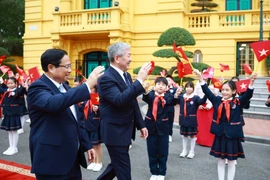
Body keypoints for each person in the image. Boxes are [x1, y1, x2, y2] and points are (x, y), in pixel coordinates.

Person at [27, 48, 104, 180]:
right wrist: (87, 86)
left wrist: (86, 145)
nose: (70, 70)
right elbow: (53, 104)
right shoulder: (37, 87)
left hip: (72, 158)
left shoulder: (66, 88)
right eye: (67, 66)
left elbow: (77, 121)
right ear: (51, 67)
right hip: (51, 160)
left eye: (70, 66)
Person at [97, 42, 151, 180]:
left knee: (116, 166)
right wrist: (139, 81)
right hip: (114, 132)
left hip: (124, 130)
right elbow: (119, 100)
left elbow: (132, 101)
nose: (131, 59)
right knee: (124, 171)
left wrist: (141, 124)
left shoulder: (125, 75)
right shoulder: (105, 78)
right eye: (129, 55)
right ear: (117, 58)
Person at [194, 69, 257, 180]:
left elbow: (248, 95)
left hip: (232, 135)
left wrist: (251, 83)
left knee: (232, 162)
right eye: (223, 89)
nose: (224, 92)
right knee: (221, 161)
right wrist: (200, 78)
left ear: (233, 91)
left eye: (227, 90)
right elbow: (207, 92)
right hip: (220, 135)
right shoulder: (217, 100)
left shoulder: (238, 101)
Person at [143, 77, 175, 180]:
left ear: (166, 87)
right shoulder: (151, 95)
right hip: (151, 127)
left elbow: (172, 101)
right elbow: (145, 98)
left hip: (163, 128)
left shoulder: (168, 96)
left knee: (163, 152)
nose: (160, 86)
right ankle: (154, 172)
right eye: (158, 84)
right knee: (152, 151)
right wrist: (145, 89)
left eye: (163, 84)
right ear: (155, 85)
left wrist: (177, 94)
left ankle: (161, 172)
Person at [175, 81, 207, 159]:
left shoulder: (195, 97)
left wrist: (207, 94)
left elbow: (202, 101)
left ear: (193, 88)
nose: (188, 89)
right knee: (184, 135)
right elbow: (174, 100)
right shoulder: (182, 96)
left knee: (192, 136)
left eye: (190, 87)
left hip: (192, 120)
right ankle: (184, 150)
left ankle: (192, 151)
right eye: (187, 87)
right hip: (183, 119)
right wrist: (176, 94)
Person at [0, 77, 28, 155]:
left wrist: (24, 86)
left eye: (12, 83)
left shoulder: (17, 91)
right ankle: (10, 146)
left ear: (16, 84)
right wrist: (1, 82)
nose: (10, 85)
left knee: (14, 131)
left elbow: (22, 91)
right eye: (8, 83)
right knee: (9, 131)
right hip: (7, 114)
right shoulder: (6, 91)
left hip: (14, 113)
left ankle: (14, 147)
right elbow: (1, 89)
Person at [194, 73, 217, 147]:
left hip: (210, 107)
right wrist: (199, 104)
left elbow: (214, 96)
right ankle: (200, 140)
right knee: (200, 124)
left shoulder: (213, 84)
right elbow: (195, 94)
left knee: (209, 124)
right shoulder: (198, 84)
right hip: (200, 106)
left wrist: (209, 105)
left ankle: (210, 141)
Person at [84, 86, 103, 172]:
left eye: (92, 89)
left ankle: (99, 162)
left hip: (96, 124)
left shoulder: (98, 97)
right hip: (87, 123)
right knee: (91, 145)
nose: (90, 90)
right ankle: (94, 161)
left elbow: (105, 109)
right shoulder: (86, 97)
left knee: (97, 145)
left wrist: (98, 109)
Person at [165, 75, 177, 143]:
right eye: (166, 80)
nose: (168, 81)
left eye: (169, 80)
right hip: (163, 108)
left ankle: (169, 135)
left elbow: (175, 100)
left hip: (170, 109)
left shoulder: (174, 90)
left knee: (170, 122)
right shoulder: (163, 89)